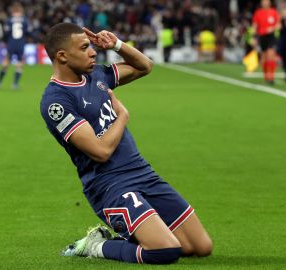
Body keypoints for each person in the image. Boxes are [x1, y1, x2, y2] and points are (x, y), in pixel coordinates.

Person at [40, 23, 212, 264]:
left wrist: (117, 45)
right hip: (110, 185)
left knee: (200, 247)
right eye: (85, 47)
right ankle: (96, 245)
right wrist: (122, 117)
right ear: (62, 56)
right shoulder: (56, 102)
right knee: (164, 251)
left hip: (142, 172)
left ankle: (138, 236)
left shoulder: (96, 75)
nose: (93, 52)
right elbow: (100, 151)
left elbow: (145, 66)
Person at [0, 2, 31, 89]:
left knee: (6, 61)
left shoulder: (9, 20)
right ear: (21, 10)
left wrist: (3, 41)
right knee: (19, 63)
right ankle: (15, 84)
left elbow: (6, 33)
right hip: (21, 44)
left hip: (11, 44)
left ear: (12, 11)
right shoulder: (25, 20)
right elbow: (28, 32)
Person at [252, 0, 281, 84]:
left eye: (266, 1)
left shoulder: (273, 12)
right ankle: (266, 76)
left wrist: (272, 28)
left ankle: (271, 76)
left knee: (270, 55)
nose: (265, 3)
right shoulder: (258, 12)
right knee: (264, 57)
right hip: (262, 36)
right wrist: (253, 37)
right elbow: (255, 25)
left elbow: (279, 25)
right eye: (263, 1)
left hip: (271, 36)